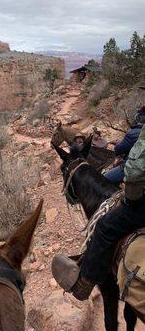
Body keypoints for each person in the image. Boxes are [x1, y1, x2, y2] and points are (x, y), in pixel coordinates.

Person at [53, 122, 145, 301]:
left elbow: (134, 171)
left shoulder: (135, 131)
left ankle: (84, 282)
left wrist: (130, 199)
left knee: (104, 225)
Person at [103, 106, 145, 186]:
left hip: (136, 167)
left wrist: (117, 145)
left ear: (138, 118)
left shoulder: (133, 132)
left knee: (103, 180)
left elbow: (118, 150)